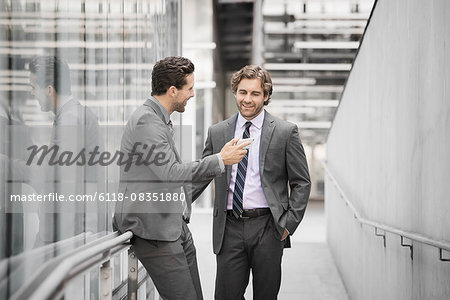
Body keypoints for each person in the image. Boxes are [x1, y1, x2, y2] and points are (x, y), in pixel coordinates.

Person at [113, 56, 249, 300]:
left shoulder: (160, 120)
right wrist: (220, 160)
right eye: (190, 88)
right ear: (173, 91)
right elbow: (170, 173)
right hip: (153, 231)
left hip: (172, 225)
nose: (193, 94)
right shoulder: (147, 121)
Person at [193, 65, 311, 300]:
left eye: (255, 94)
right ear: (235, 92)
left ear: (266, 96)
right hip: (229, 227)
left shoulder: (285, 132)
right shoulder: (217, 132)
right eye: (243, 92)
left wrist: (288, 224)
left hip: (268, 226)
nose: (248, 99)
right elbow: (204, 174)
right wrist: (175, 204)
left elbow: (302, 182)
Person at [29, 56, 101, 245]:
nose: (32, 93)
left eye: (33, 87)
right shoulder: (76, 115)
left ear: (49, 90)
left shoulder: (70, 119)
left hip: (67, 236)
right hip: (72, 233)